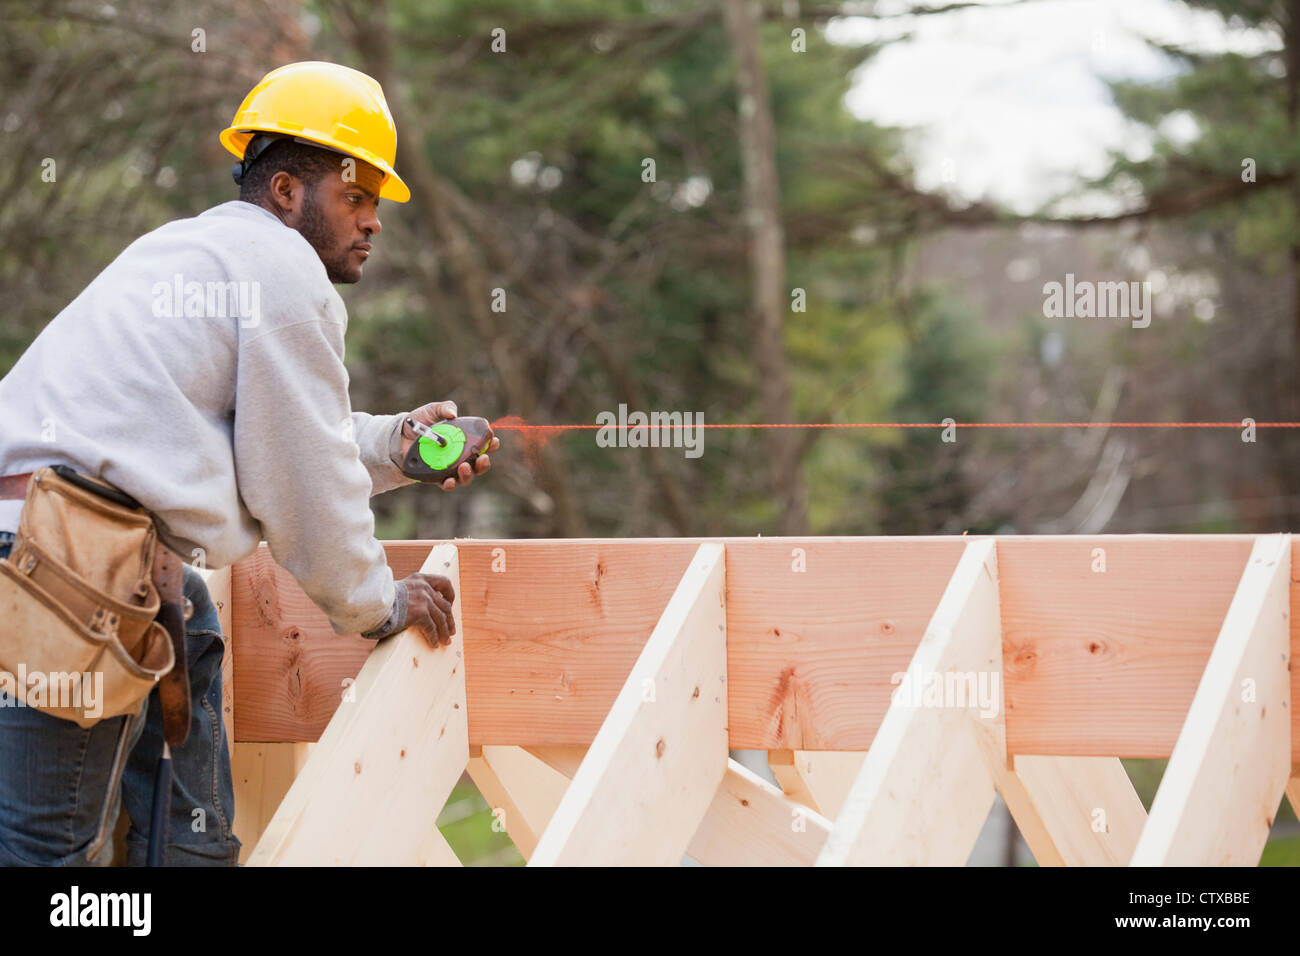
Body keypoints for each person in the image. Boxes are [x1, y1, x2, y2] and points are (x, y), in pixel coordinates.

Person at [0, 61, 497, 866]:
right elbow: (302, 489)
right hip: (61, 565)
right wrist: (377, 604)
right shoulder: (280, 272)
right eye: (356, 197)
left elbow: (282, 445)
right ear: (288, 192)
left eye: (375, 203)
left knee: (190, 713)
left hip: (83, 551)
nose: (373, 223)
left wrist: (396, 446)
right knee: (45, 850)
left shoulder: (196, 249)